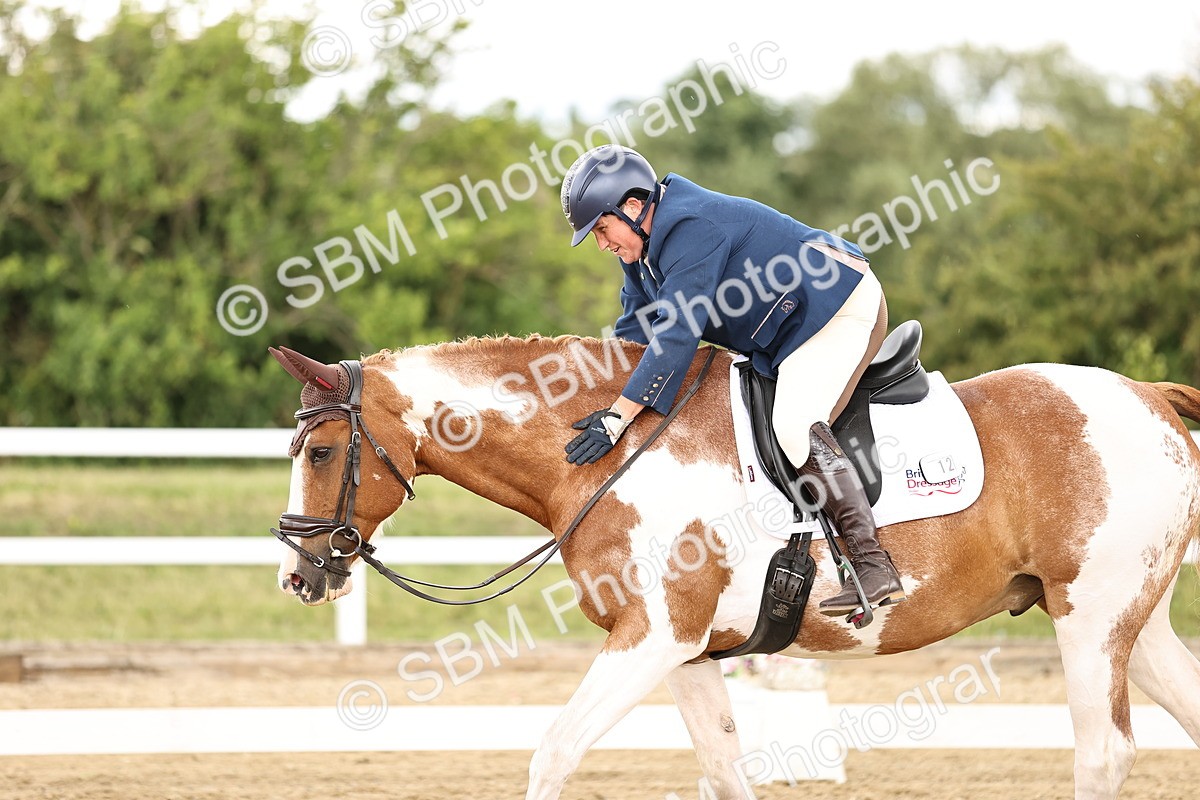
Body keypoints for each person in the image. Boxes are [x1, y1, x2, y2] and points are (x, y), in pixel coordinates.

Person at [559, 144, 904, 617]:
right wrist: (590, 398)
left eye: (602, 228)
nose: (602, 243)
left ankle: (872, 564)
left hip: (835, 304)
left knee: (794, 424)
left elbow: (676, 335)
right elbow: (635, 335)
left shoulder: (689, 228)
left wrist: (618, 417)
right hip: (788, 327)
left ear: (634, 207)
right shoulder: (640, 251)